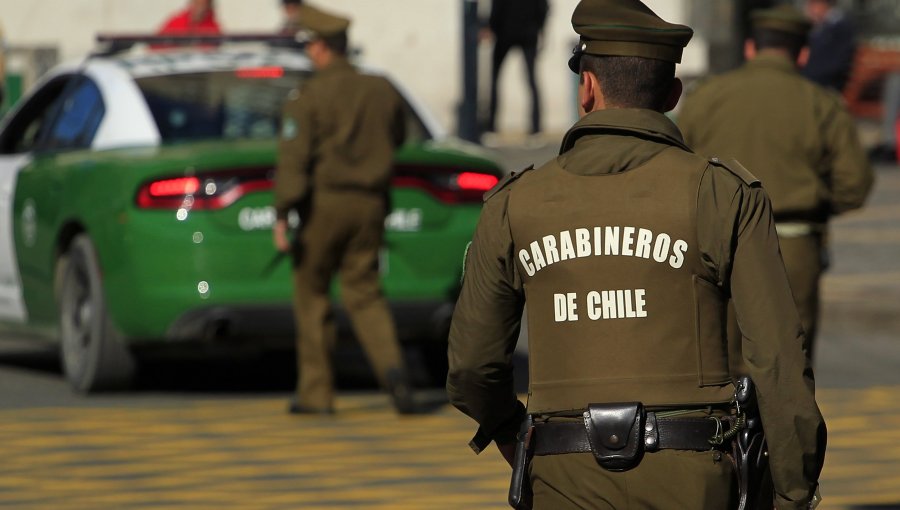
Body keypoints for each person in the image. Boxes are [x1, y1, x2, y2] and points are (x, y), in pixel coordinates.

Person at [447, 0, 826, 507]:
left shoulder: (514, 204)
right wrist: (793, 491)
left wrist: (516, 436)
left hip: (564, 474)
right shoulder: (722, 193)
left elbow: (471, 367)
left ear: (587, 87)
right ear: (672, 93)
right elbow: (778, 360)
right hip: (696, 475)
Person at [679, 5, 874, 360]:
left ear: (750, 48)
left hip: (718, 246)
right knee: (787, 368)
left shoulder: (705, 97)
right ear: (803, 53)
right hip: (793, 246)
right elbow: (854, 184)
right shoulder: (821, 104)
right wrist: (814, 202)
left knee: (720, 367)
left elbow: (676, 168)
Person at [273, 4, 415, 415]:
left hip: (324, 205)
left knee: (313, 293)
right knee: (365, 292)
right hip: (371, 204)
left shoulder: (309, 96)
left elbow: (294, 162)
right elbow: (399, 136)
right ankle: (394, 374)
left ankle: (316, 394)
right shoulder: (380, 88)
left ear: (319, 48)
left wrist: (283, 213)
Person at [484, 0, 549, 137]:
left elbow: (497, 7)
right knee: (531, 80)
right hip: (527, 34)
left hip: (505, 32)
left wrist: (491, 26)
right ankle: (536, 129)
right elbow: (543, 7)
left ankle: (492, 127)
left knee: (496, 80)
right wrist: (540, 29)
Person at [801, 0, 856, 92]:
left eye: (812, 4)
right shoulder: (819, 26)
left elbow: (836, 64)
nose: (809, 10)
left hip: (826, 84)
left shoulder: (839, 28)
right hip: (813, 81)